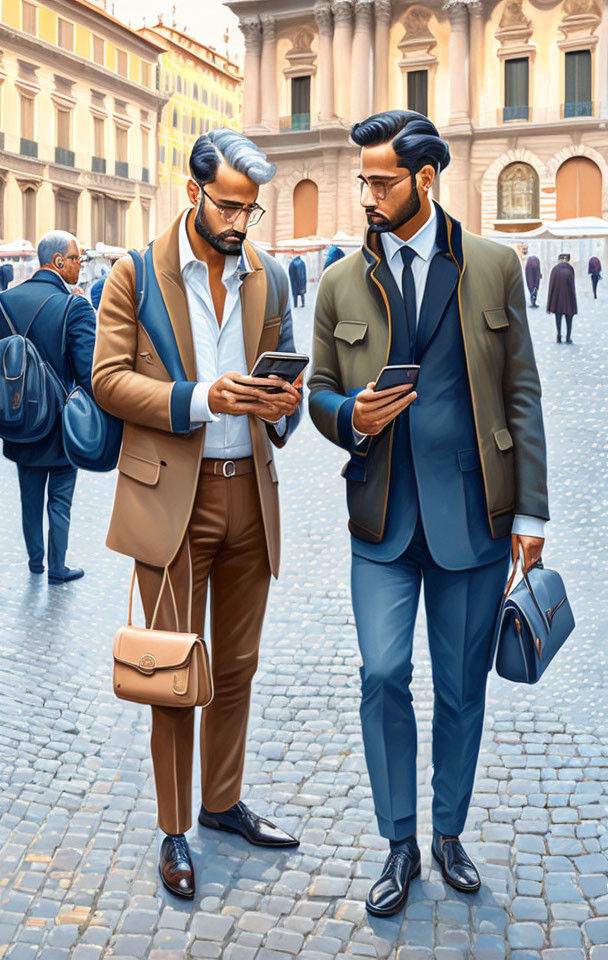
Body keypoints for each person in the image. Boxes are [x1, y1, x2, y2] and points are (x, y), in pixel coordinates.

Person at [308, 110, 548, 917]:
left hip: (473, 519)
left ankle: (448, 833)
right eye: (363, 180)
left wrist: (532, 515)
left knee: (460, 689)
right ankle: (398, 843)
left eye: (381, 180)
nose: (367, 194)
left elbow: (522, 389)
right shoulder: (341, 279)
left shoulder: (493, 264)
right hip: (378, 520)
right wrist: (349, 416)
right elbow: (316, 392)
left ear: (425, 179)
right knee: (381, 675)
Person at [93, 129, 303, 901]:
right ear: (193, 193)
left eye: (251, 208)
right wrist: (197, 398)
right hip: (170, 500)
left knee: (238, 665)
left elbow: (284, 387)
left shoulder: (269, 278)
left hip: (251, 491)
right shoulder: (133, 273)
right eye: (228, 205)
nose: (241, 222)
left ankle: (221, 803)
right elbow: (109, 379)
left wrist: (284, 403)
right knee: (172, 666)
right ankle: (174, 828)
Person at [0, 231, 95, 583]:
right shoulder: (75, 306)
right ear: (58, 262)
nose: (79, 265)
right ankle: (57, 568)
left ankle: (35, 561)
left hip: (17, 417)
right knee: (59, 499)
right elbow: (88, 372)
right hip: (59, 421)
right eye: (76, 258)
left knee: (29, 495)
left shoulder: (4, 301)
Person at [547, 253, 577, 343]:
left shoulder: (555, 270)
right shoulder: (570, 269)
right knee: (569, 320)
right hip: (569, 300)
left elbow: (551, 287)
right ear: (568, 259)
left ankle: (559, 335)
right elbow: (572, 287)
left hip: (557, 301)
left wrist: (549, 304)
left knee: (558, 319)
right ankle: (568, 337)